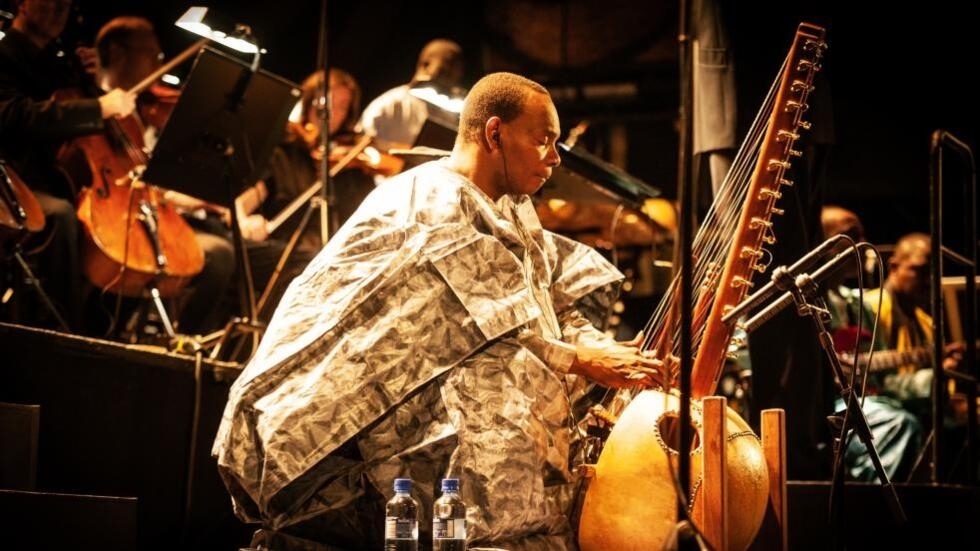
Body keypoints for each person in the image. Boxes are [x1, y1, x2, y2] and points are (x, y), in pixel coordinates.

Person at [213, 72, 663, 550]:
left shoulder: (510, 207)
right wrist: (584, 361)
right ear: (494, 134)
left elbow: (550, 303)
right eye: (543, 140)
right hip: (365, 417)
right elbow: (492, 320)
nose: (554, 157)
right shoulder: (432, 200)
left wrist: (602, 347)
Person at [0, 0, 136, 333]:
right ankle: (57, 334)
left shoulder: (60, 64)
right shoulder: (4, 55)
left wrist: (91, 81)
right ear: (22, 3)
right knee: (59, 215)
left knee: (121, 232)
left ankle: (103, 328)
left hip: (54, 180)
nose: (59, 9)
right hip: (13, 180)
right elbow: (15, 115)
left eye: (65, 4)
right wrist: (95, 107)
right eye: (49, 0)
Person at [820, 206, 924, 483]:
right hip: (826, 405)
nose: (863, 244)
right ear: (822, 245)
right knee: (899, 425)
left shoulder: (859, 304)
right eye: (850, 236)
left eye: (863, 234)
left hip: (868, 400)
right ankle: (871, 507)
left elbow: (879, 372)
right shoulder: (805, 302)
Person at [358, 38, 465, 152]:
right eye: (445, 71)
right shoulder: (392, 104)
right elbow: (361, 144)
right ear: (425, 64)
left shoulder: (450, 113)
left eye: (455, 74)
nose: (449, 80)